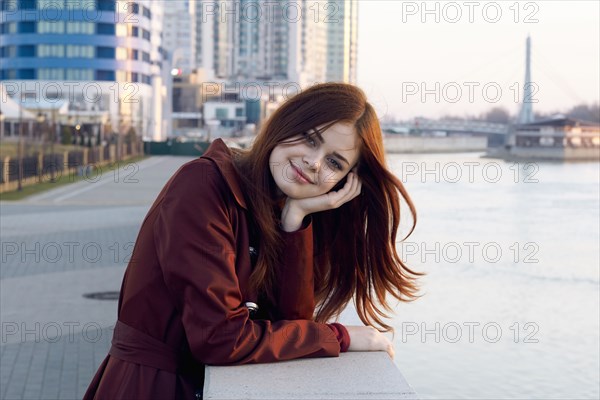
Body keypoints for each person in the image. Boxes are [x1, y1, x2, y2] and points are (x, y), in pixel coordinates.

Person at [83, 82, 422, 399]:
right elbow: (220, 339)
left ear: (344, 182)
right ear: (285, 123)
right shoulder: (203, 186)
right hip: (150, 386)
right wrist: (340, 337)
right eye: (310, 138)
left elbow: (290, 326)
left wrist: (294, 221)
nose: (314, 162)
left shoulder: (277, 209)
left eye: (335, 162)